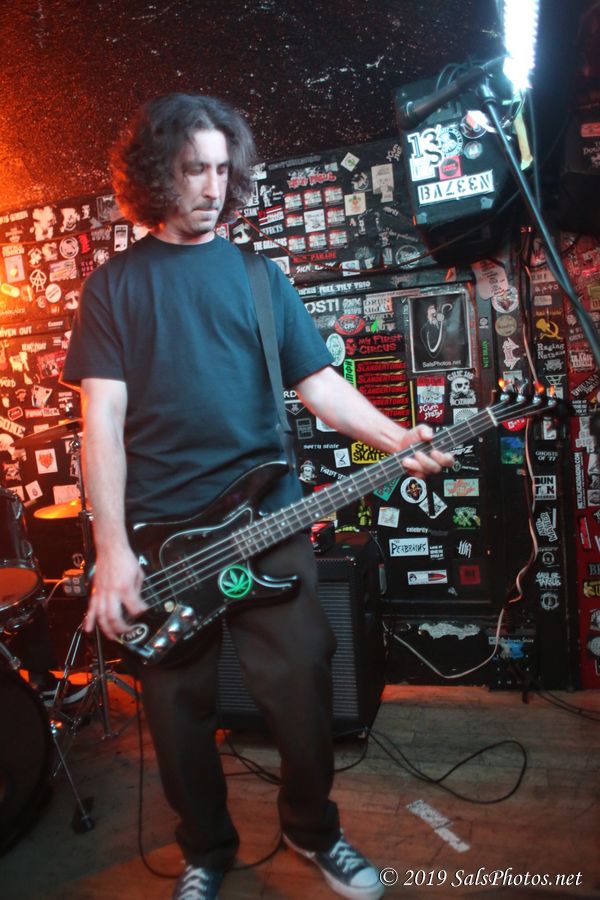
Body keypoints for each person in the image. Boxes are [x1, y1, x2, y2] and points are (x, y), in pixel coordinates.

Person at [61, 93, 453, 900]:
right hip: (163, 536)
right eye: (192, 170)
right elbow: (100, 423)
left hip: (268, 514)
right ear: (155, 175)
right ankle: (206, 851)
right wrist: (112, 549)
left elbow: (319, 385)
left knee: (304, 684)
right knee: (177, 714)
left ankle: (313, 830)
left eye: (221, 169)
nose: (212, 186)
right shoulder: (113, 288)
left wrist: (397, 439)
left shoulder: (258, 277)